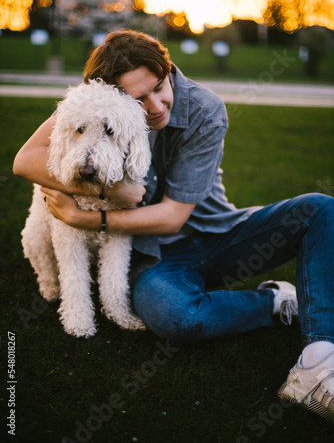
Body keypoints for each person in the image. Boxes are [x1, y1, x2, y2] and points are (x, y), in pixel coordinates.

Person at [13, 30, 334, 423]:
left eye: (159, 88)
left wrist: (90, 215)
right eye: (138, 99)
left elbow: (173, 215)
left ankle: (316, 360)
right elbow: (24, 160)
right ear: (113, 96)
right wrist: (105, 184)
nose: (155, 105)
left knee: (320, 209)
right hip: (152, 253)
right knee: (176, 317)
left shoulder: (205, 108)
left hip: (219, 234)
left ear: (168, 72)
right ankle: (274, 302)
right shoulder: (100, 105)